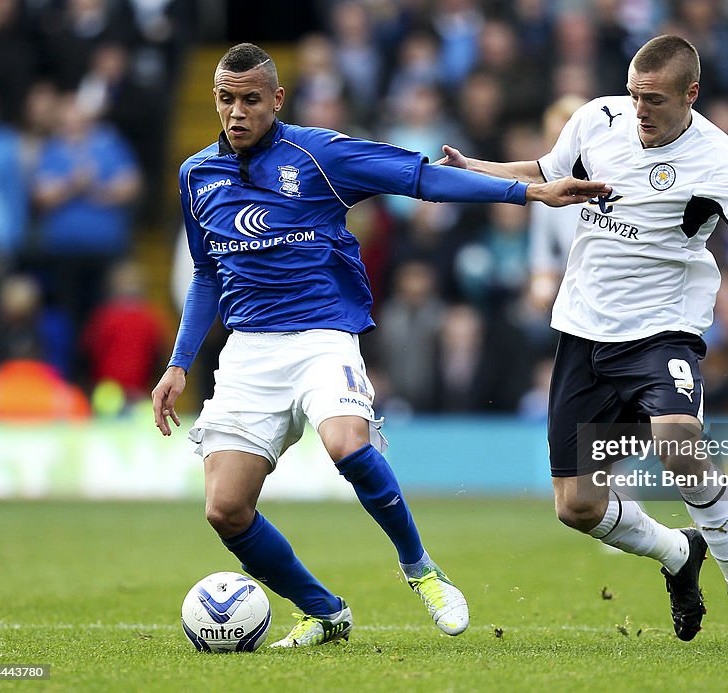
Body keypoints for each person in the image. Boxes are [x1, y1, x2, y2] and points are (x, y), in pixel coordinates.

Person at [150, 43, 607, 650]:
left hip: (320, 337)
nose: (237, 113)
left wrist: (527, 194)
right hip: (247, 350)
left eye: (251, 100)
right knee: (225, 510)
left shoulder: (319, 154)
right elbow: (208, 276)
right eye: (226, 100)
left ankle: (420, 567)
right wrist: (179, 363)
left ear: (277, 100)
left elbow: (419, 178)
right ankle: (325, 612)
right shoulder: (195, 175)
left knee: (347, 442)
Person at [439, 34, 728, 650]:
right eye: (635, 93)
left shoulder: (717, 158)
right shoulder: (597, 118)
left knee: (677, 441)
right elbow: (544, 173)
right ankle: (677, 552)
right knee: (577, 507)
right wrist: (474, 170)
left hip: (662, 329)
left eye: (656, 100)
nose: (640, 108)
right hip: (584, 330)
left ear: (691, 95)